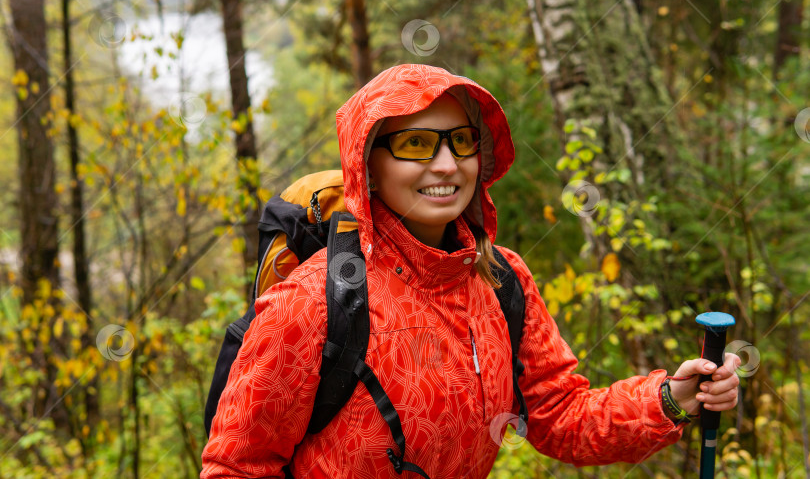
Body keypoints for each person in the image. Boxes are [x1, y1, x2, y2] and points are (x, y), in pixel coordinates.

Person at [200, 64, 740, 478]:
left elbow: (559, 416)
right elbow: (236, 466)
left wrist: (671, 398)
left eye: (460, 141)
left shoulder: (501, 279)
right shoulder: (313, 302)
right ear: (367, 164)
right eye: (414, 143)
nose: (446, 164)